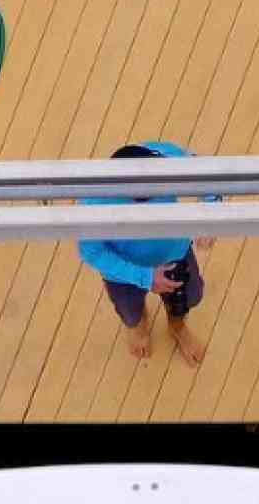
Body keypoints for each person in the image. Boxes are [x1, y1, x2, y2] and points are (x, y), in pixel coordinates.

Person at [79, 141, 215, 365]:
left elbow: (208, 175)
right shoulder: (92, 202)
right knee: (131, 314)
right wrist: (145, 277)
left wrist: (210, 214)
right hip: (123, 274)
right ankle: (139, 326)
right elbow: (92, 253)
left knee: (190, 298)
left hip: (175, 255)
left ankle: (177, 327)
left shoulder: (167, 160)